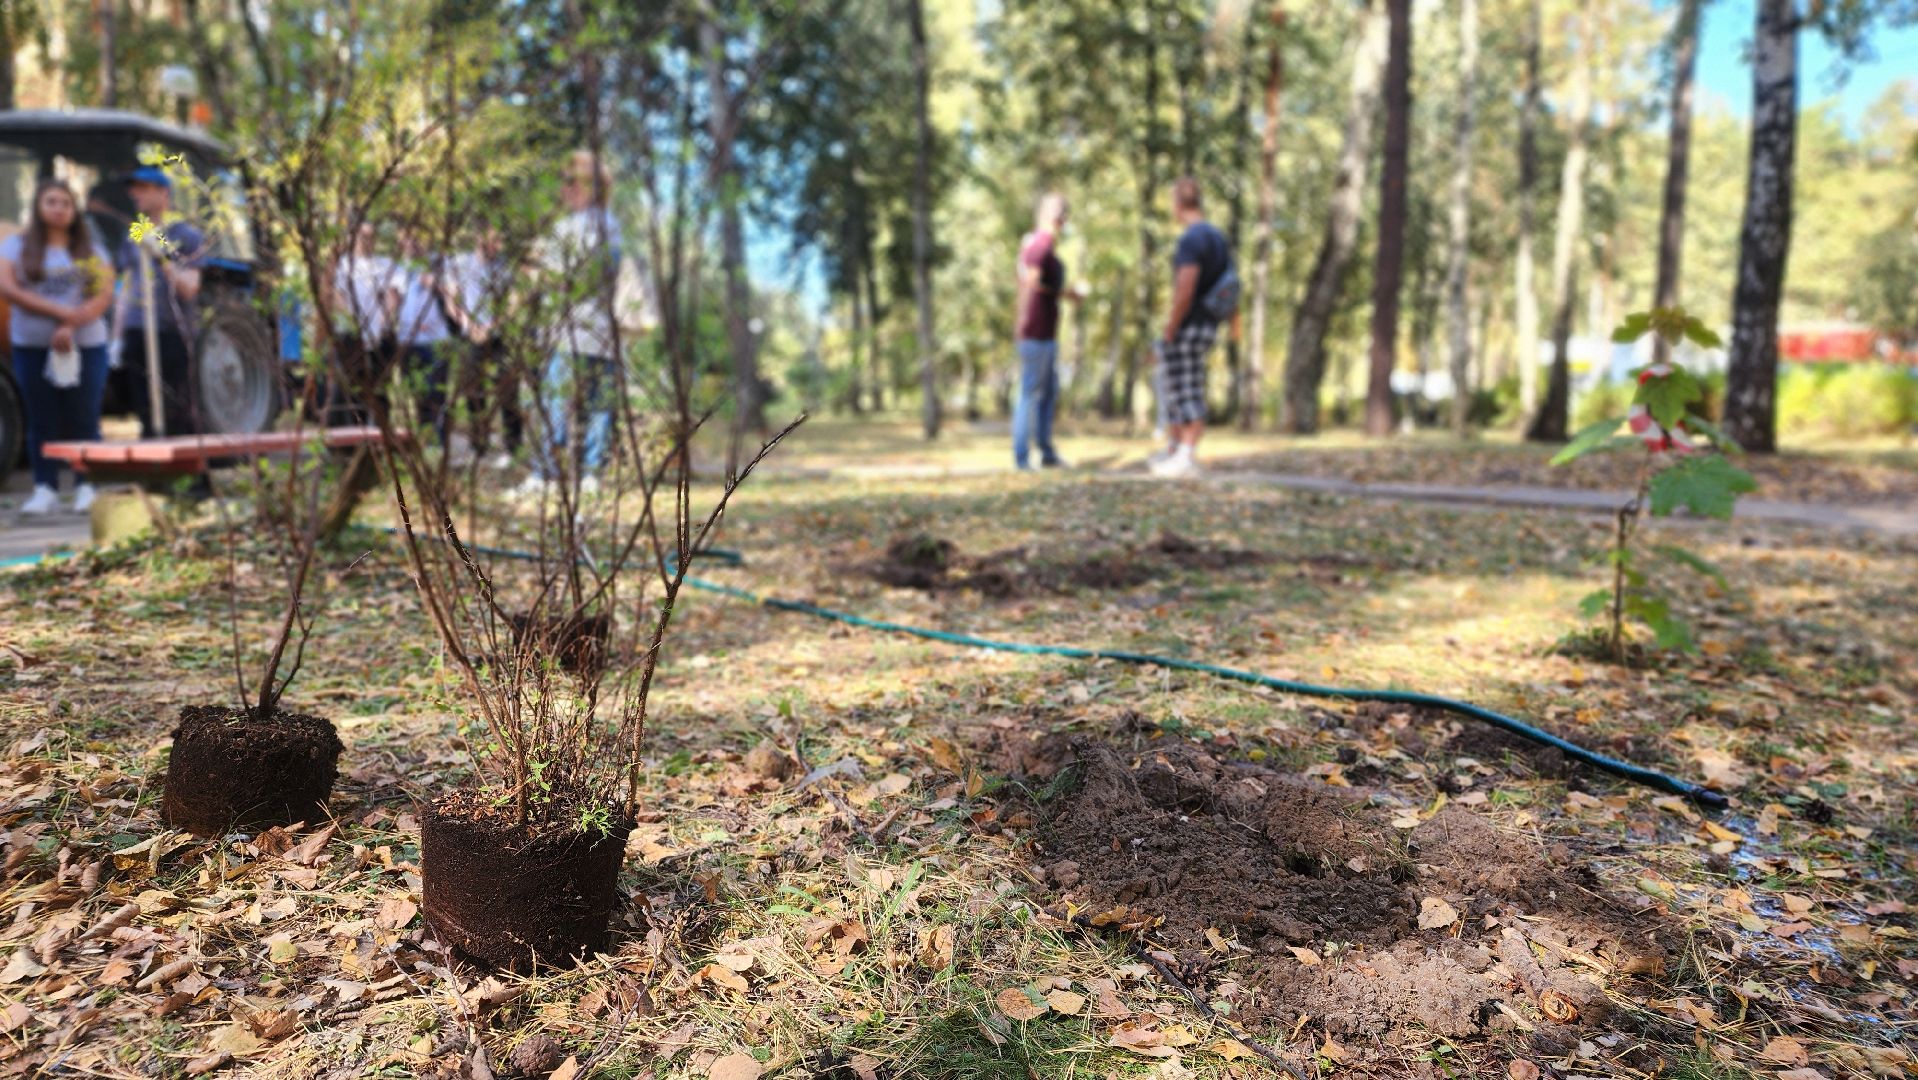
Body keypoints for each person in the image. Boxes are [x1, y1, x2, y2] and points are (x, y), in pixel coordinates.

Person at [1, 179, 116, 515]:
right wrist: (59, 313)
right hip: (32, 347)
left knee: (84, 416)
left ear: (74, 209)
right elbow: (9, 290)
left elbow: (103, 294)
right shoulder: (15, 247)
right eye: (51, 201)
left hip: (85, 345)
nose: (58, 209)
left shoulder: (92, 249)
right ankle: (45, 487)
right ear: (38, 206)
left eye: (65, 203)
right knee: (42, 418)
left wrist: (70, 325)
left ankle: (86, 485)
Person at [525, 149, 623, 492]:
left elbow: (570, 278)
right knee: (596, 400)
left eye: (570, 182)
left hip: (575, 327)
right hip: (598, 328)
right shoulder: (609, 225)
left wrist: (538, 267)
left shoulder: (579, 226)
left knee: (558, 398)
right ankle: (589, 473)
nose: (563, 189)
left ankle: (546, 474)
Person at [1150, 177, 1236, 478]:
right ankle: (1176, 450)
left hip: (1190, 323)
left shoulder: (1191, 240)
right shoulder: (1217, 238)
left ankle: (1185, 455)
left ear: (1178, 204)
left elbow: (1184, 288)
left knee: (1184, 389)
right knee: (1183, 385)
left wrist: (1171, 325)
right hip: (1209, 323)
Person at [111, 165, 205, 439]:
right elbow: (127, 284)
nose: (134, 194)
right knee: (144, 407)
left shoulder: (185, 236)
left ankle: (189, 473)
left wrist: (162, 257)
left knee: (176, 406)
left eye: (142, 188)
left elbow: (190, 288)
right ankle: (156, 470)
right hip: (137, 329)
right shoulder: (136, 232)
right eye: (133, 188)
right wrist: (116, 337)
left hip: (171, 331)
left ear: (163, 192)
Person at [1011, 192, 1079, 470]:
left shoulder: (1044, 246)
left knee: (1048, 393)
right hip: (1036, 333)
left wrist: (1064, 294)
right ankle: (1022, 458)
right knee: (1030, 393)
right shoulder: (1040, 244)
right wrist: (1023, 324)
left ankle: (1046, 452)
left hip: (1046, 333)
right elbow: (1029, 285)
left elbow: (1039, 286)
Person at [326, 221, 399, 424]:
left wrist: (379, 326)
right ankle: (353, 438)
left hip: (380, 337)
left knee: (380, 389)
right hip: (351, 337)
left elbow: (392, 297)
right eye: (362, 236)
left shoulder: (384, 265)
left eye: (370, 237)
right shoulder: (343, 265)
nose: (366, 241)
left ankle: (381, 436)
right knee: (352, 389)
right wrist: (355, 324)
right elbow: (337, 296)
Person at [392, 230, 457, 447]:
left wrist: (435, 283)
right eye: (407, 239)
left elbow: (454, 295)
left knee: (436, 394)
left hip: (437, 340)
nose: (412, 244)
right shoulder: (395, 269)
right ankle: (424, 441)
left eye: (417, 238)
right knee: (417, 394)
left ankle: (439, 445)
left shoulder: (440, 264)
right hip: (407, 341)